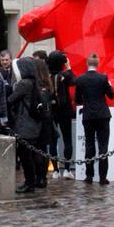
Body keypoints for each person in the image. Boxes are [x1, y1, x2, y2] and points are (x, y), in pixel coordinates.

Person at [75, 53, 114, 185]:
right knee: (103, 146)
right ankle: (103, 177)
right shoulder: (103, 78)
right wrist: (109, 84)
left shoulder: (80, 79)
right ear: (97, 64)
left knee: (89, 145)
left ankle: (89, 175)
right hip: (102, 114)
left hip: (88, 115)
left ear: (87, 64)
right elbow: (111, 95)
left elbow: (77, 99)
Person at [8, 57, 45, 193]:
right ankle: (34, 180)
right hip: (34, 123)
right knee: (32, 155)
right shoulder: (35, 82)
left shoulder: (24, 84)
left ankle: (29, 183)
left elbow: (11, 100)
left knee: (25, 156)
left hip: (25, 123)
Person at [49, 51, 75, 179]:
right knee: (67, 139)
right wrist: (69, 67)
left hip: (52, 111)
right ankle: (67, 169)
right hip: (65, 111)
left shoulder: (47, 76)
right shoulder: (64, 76)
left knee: (53, 141)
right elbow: (74, 81)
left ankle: (55, 170)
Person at [34, 58, 56, 185]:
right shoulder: (48, 84)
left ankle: (40, 177)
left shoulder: (38, 86)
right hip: (48, 119)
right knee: (43, 149)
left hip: (41, 119)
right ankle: (42, 176)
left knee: (38, 149)